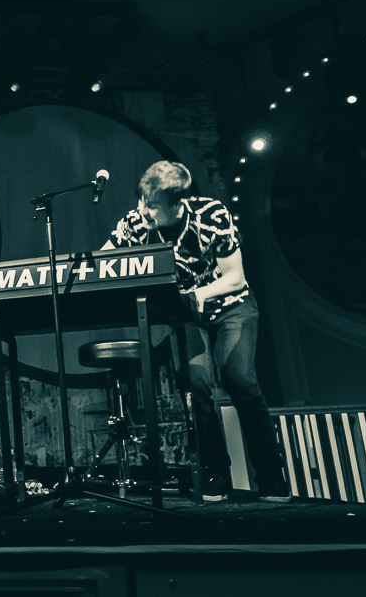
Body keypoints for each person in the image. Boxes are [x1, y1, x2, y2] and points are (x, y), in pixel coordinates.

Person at [101, 160, 291, 503]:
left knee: (240, 382)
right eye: (142, 200)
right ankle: (216, 473)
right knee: (198, 389)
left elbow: (235, 277)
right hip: (187, 316)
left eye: (152, 205)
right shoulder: (135, 222)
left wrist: (196, 295)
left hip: (232, 308)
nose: (143, 209)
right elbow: (105, 263)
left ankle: (272, 477)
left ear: (178, 203)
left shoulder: (211, 215)